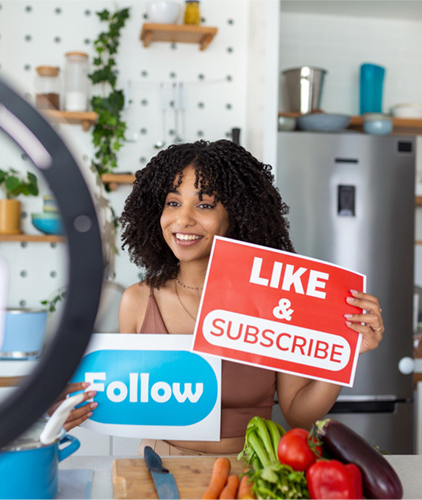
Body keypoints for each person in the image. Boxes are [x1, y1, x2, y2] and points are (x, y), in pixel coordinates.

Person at [120, 140, 385, 456]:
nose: (183, 220)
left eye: (204, 205)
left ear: (236, 215)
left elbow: (299, 415)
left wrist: (346, 353)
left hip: (249, 469)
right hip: (158, 463)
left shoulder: (277, 303)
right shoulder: (136, 302)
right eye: (173, 203)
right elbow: (129, 401)